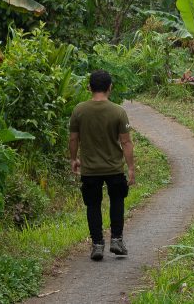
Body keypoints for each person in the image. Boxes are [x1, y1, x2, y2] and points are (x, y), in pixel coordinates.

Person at [69, 70, 136, 261]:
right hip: (114, 168)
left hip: (90, 169)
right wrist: (130, 168)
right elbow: (126, 142)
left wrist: (74, 159)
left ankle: (97, 244)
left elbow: (73, 138)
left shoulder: (79, 110)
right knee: (117, 202)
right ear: (110, 88)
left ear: (89, 87)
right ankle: (116, 240)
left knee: (93, 205)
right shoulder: (118, 111)